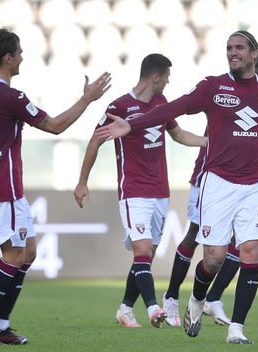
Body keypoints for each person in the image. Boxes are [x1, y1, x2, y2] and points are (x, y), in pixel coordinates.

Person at [95, 31, 258, 344]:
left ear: (254, 54)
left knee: (250, 252)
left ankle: (236, 329)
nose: (233, 53)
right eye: (229, 48)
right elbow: (174, 108)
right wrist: (134, 124)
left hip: (255, 183)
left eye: (239, 48)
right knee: (214, 257)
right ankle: (197, 299)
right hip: (218, 182)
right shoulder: (213, 86)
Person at [0, 28, 111, 346]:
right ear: (7, 58)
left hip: (3, 186)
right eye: (19, 52)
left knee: (28, 253)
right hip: (3, 186)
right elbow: (54, 126)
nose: (22, 56)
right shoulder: (12, 96)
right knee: (12, 256)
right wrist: (87, 99)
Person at [73, 53, 206, 329]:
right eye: (166, 77)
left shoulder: (161, 103)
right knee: (142, 250)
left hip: (160, 191)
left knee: (146, 255)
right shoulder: (118, 106)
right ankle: (153, 307)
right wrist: (83, 181)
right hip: (133, 191)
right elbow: (95, 143)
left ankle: (124, 309)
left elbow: (178, 134)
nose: (168, 81)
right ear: (155, 77)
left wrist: (210, 142)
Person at [162, 51, 258, 328]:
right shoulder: (227, 93)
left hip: (246, 181)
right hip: (210, 176)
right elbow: (229, 131)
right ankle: (172, 296)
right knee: (198, 237)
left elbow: (249, 131)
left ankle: (213, 299)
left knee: (243, 244)